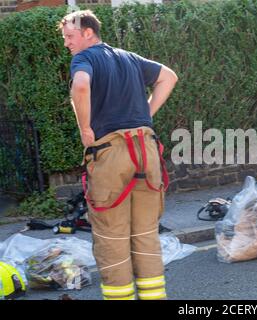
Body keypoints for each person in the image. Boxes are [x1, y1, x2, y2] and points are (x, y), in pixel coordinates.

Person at [59, 10, 178, 300]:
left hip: (111, 154)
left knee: (112, 237)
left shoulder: (84, 59)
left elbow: (81, 85)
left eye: (69, 37)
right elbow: (169, 77)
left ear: (88, 33)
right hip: (146, 151)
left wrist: (85, 128)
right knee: (145, 235)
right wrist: (145, 115)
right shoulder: (130, 58)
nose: (66, 44)